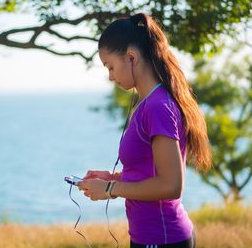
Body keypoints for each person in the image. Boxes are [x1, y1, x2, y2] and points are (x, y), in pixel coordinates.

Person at [77, 13, 212, 248]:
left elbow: (171, 185)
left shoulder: (158, 107)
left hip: (164, 239)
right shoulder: (148, 104)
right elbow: (147, 173)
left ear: (131, 57)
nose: (110, 76)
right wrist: (112, 177)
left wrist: (110, 189)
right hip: (147, 238)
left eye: (110, 67)